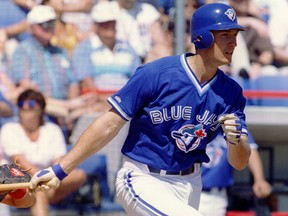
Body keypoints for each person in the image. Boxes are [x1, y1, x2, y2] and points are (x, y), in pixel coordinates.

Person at [29, 3, 251, 215]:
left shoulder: (231, 92)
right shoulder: (156, 74)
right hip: (143, 177)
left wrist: (236, 141)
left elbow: (239, 162)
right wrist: (60, 170)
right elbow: (108, 124)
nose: (233, 43)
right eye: (225, 36)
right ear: (203, 38)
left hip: (190, 183)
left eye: (235, 36)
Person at [0, 89, 87, 216]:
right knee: (39, 190)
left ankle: (46, 191)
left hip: (48, 178)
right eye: (20, 104)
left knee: (79, 175)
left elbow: (59, 161)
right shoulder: (10, 129)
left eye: (30, 104)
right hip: (19, 178)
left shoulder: (53, 130)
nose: (24, 107)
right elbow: (18, 161)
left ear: (40, 109)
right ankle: (46, 191)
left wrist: (47, 178)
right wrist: (43, 179)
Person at [71, 1, 142, 112]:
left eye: (112, 22)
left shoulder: (128, 48)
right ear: (96, 26)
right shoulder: (84, 48)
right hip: (97, 104)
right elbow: (86, 82)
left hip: (125, 103)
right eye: (104, 23)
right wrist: (112, 102)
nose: (109, 26)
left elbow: (137, 79)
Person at [198, 131, 272, 216]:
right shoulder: (195, 120)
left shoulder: (232, 122)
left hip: (215, 195)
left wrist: (259, 179)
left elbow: (250, 150)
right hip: (188, 188)